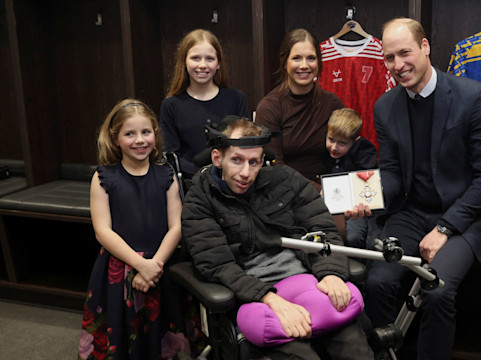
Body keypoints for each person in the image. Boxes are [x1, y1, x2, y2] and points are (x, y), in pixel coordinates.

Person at [348, 18, 481, 359]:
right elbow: (391, 173)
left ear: (425, 47)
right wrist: (366, 198)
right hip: (410, 211)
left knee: (436, 290)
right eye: (389, 58)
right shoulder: (385, 106)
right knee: (377, 283)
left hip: (465, 217)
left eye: (404, 53)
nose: (397, 65)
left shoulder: (472, 97)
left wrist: (445, 228)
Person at [181, 116, 374, 360]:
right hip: (255, 295)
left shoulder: (286, 180)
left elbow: (323, 229)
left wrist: (331, 272)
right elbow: (217, 264)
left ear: (263, 160)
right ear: (218, 158)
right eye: (237, 161)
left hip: (308, 277)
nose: (245, 173)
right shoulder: (200, 200)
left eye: (254, 162)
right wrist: (270, 299)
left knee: (355, 349)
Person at [79, 99, 189, 359]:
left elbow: (176, 226)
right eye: (130, 134)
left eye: (146, 132)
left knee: (161, 333)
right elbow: (103, 232)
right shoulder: (104, 177)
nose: (140, 140)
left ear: (155, 134)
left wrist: (154, 265)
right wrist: (140, 265)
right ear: (115, 139)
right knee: (122, 334)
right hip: (119, 269)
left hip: (161, 267)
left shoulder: (167, 175)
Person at [255, 28, 345, 189]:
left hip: (332, 190)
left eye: (311, 58)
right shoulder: (269, 107)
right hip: (286, 193)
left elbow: (349, 154)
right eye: (296, 58)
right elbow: (275, 168)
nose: (304, 65)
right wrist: (318, 192)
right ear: (284, 62)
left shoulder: (333, 104)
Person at [160, 29, 249, 178]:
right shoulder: (171, 106)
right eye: (195, 58)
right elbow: (172, 156)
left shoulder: (236, 98)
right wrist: (204, 175)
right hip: (191, 185)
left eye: (209, 59)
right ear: (184, 62)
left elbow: (246, 145)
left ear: (218, 63)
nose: (202, 65)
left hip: (233, 181)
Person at [325, 108, 378, 249]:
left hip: (357, 206)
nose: (334, 147)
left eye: (342, 143)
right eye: (331, 140)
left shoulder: (365, 154)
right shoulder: (326, 152)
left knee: (353, 236)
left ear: (355, 141)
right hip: (334, 204)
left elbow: (368, 186)